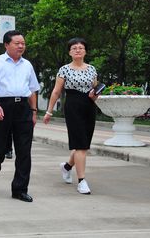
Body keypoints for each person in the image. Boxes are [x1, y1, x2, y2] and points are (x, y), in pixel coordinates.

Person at [0, 30, 40, 203]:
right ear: (7, 45)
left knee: (24, 151)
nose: (21, 46)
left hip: (23, 108)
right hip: (3, 106)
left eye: (23, 43)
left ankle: (20, 189)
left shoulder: (27, 65)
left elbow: (32, 90)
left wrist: (34, 111)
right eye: (17, 43)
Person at [43, 37, 99, 195]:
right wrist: (49, 111)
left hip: (89, 107)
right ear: (70, 52)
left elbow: (95, 90)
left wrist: (96, 95)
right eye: (74, 48)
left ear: (85, 51)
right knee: (80, 145)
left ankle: (67, 167)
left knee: (83, 144)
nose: (78, 50)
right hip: (73, 106)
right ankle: (82, 181)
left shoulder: (92, 69)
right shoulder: (64, 69)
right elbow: (56, 91)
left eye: (81, 47)